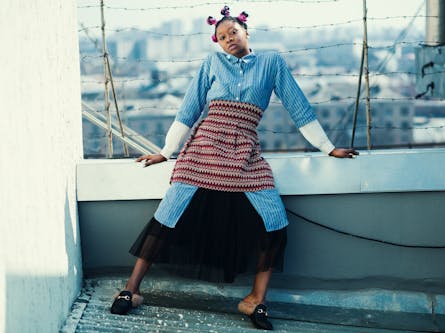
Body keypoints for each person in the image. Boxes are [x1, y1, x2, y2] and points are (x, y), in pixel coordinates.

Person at [110, 6, 358, 330]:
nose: (228, 39)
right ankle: (132, 289)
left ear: (246, 31)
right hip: (203, 149)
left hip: (245, 153)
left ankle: (256, 299)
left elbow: (298, 106)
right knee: (167, 214)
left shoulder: (272, 63)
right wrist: (165, 152)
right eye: (222, 37)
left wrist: (328, 148)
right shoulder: (211, 63)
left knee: (274, 220)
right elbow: (188, 109)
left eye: (233, 33)